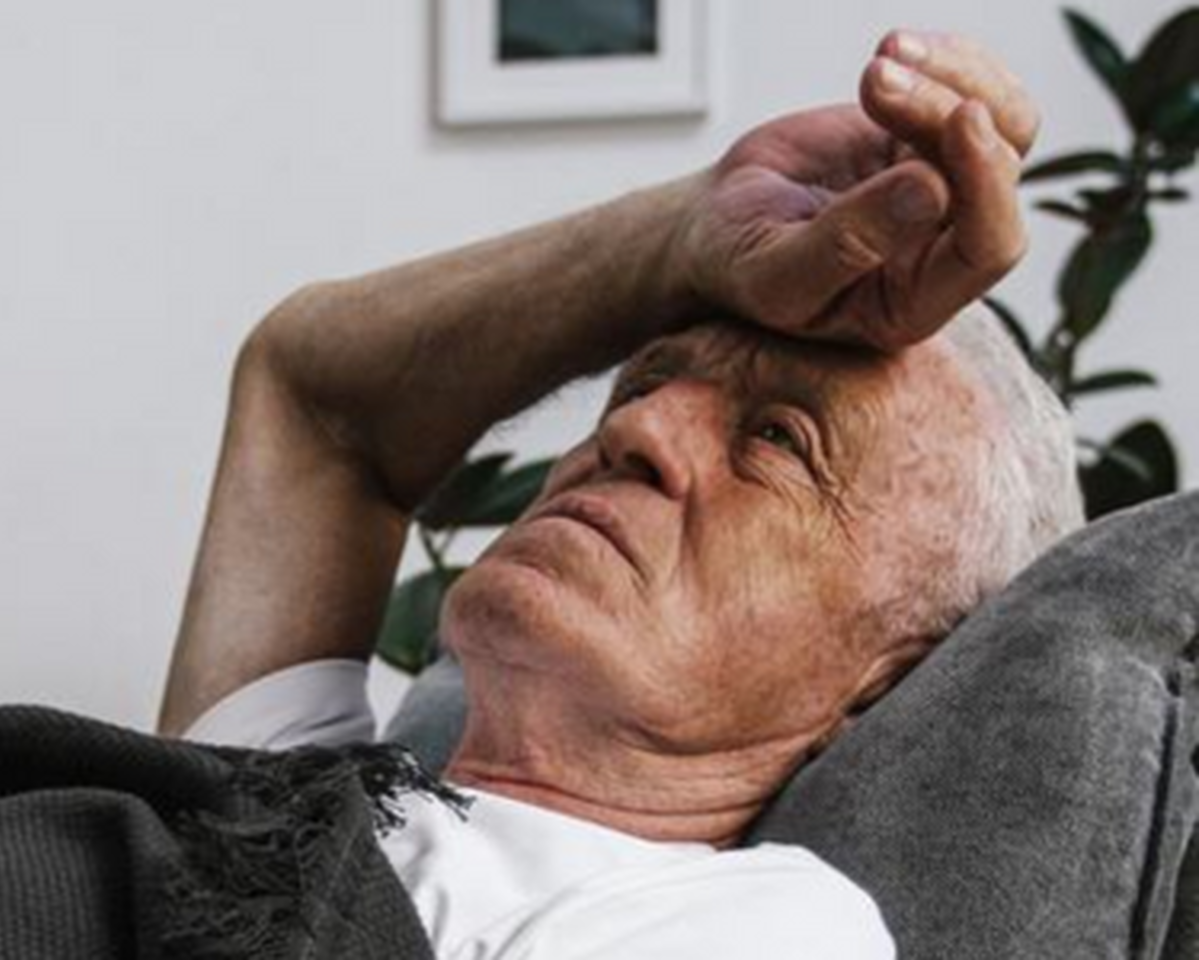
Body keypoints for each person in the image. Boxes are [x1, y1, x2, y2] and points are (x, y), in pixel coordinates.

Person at [156, 29, 1083, 959]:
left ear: (881, 682)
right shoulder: (281, 815)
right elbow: (310, 395)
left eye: (779, 441)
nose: (636, 429)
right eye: (644, 384)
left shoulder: (771, 926)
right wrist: (687, 237)